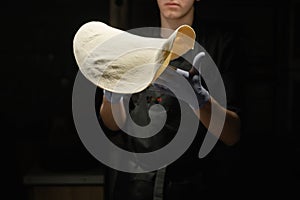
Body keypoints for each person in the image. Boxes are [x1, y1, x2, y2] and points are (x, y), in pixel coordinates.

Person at [99, 0, 243, 199]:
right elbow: (113, 124)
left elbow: (232, 134)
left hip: (195, 186)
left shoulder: (220, 43)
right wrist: (113, 98)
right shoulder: (134, 43)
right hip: (136, 187)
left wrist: (201, 101)